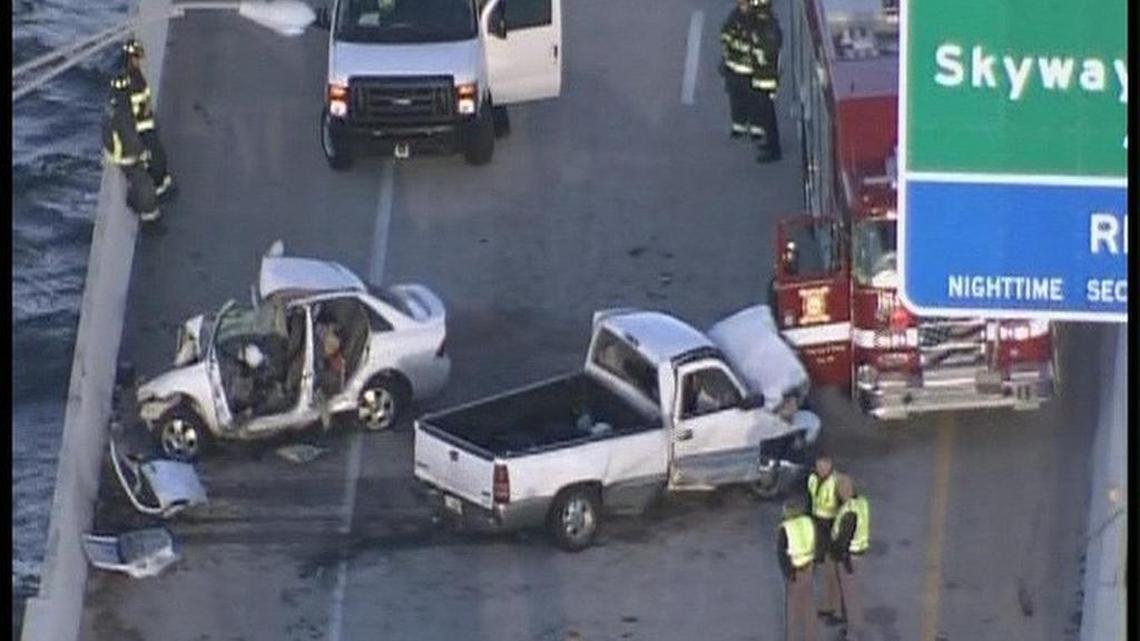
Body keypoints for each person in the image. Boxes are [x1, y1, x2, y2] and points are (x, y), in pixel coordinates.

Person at [122, 38, 176, 201]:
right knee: (155, 157)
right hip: (140, 127)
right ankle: (155, 188)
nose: (139, 61)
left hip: (144, 124)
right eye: (137, 57)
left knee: (157, 155)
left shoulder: (135, 77)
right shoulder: (132, 81)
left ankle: (158, 182)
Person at [103, 75, 160, 221]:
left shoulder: (111, 108)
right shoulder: (123, 112)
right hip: (127, 156)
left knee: (138, 179)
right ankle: (149, 215)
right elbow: (128, 136)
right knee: (142, 181)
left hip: (119, 153)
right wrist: (140, 152)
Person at [830, 474, 869, 640]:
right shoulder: (861, 502)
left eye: (840, 490)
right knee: (853, 597)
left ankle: (853, 634)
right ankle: (852, 629)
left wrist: (839, 557)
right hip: (857, 556)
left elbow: (843, 540)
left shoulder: (849, 512)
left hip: (848, 559)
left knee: (850, 598)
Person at [807, 452, 843, 625]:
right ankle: (830, 607)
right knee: (826, 573)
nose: (821, 468)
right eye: (818, 465)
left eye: (824, 465)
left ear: (830, 465)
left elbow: (845, 512)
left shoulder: (837, 483)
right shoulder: (812, 479)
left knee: (833, 574)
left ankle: (838, 611)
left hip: (831, 530)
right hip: (818, 528)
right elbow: (810, 503)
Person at [719, 0, 763, 140]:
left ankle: (757, 128)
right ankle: (739, 126)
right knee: (737, 99)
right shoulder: (734, 16)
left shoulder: (758, 19)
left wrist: (742, 44)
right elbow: (725, 34)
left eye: (745, 4)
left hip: (752, 70)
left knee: (755, 100)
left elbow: (761, 41)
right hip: (735, 68)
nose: (742, 6)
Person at [778, 496, 819, 641]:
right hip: (808, 568)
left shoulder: (786, 529)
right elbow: (815, 545)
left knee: (793, 611)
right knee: (809, 606)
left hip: (795, 571)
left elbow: (782, 556)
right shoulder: (808, 522)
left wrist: (789, 575)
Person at [750, 1, 783, 161]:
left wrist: (756, 51)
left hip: (767, 78)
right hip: (761, 76)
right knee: (764, 113)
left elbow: (769, 51)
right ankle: (770, 143)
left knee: (768, 113)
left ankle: (774, 150)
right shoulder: (764, 24)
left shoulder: (769, 28)